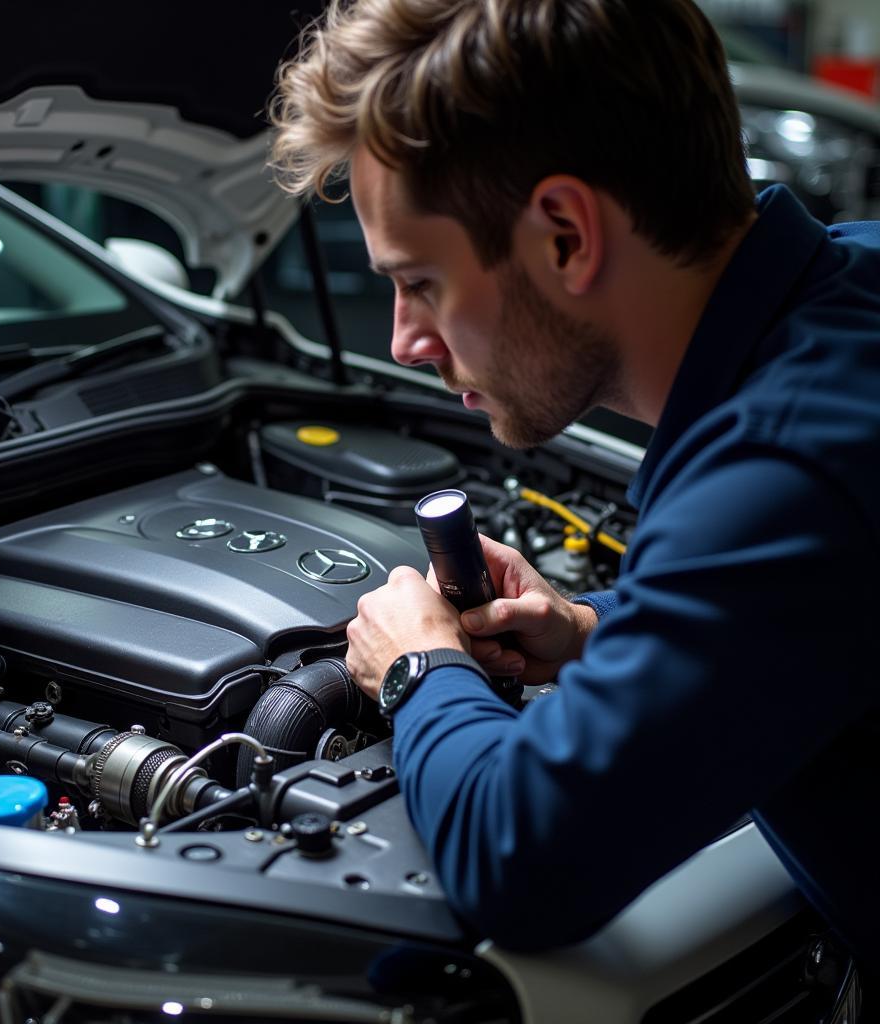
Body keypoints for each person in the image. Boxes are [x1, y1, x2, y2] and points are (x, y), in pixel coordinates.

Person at [269, 0, 880, 973]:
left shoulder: (784, 468)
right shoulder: (855, 280)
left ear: (564, 232)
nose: (403, 342)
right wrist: (593, 633)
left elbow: (522, 864)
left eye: (420, 280)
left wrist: (421, 668)